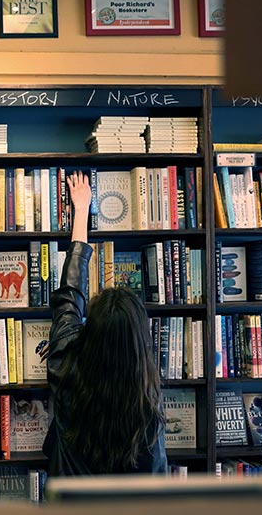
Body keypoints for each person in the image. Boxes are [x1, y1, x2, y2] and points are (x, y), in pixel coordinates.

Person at [41, 171, 167, 476]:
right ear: (140, 340)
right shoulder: (146, 401)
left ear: (91, 331)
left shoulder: (64, 362)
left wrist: (81, 210)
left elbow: (70, 294)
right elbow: (156, 477)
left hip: (67, 502)